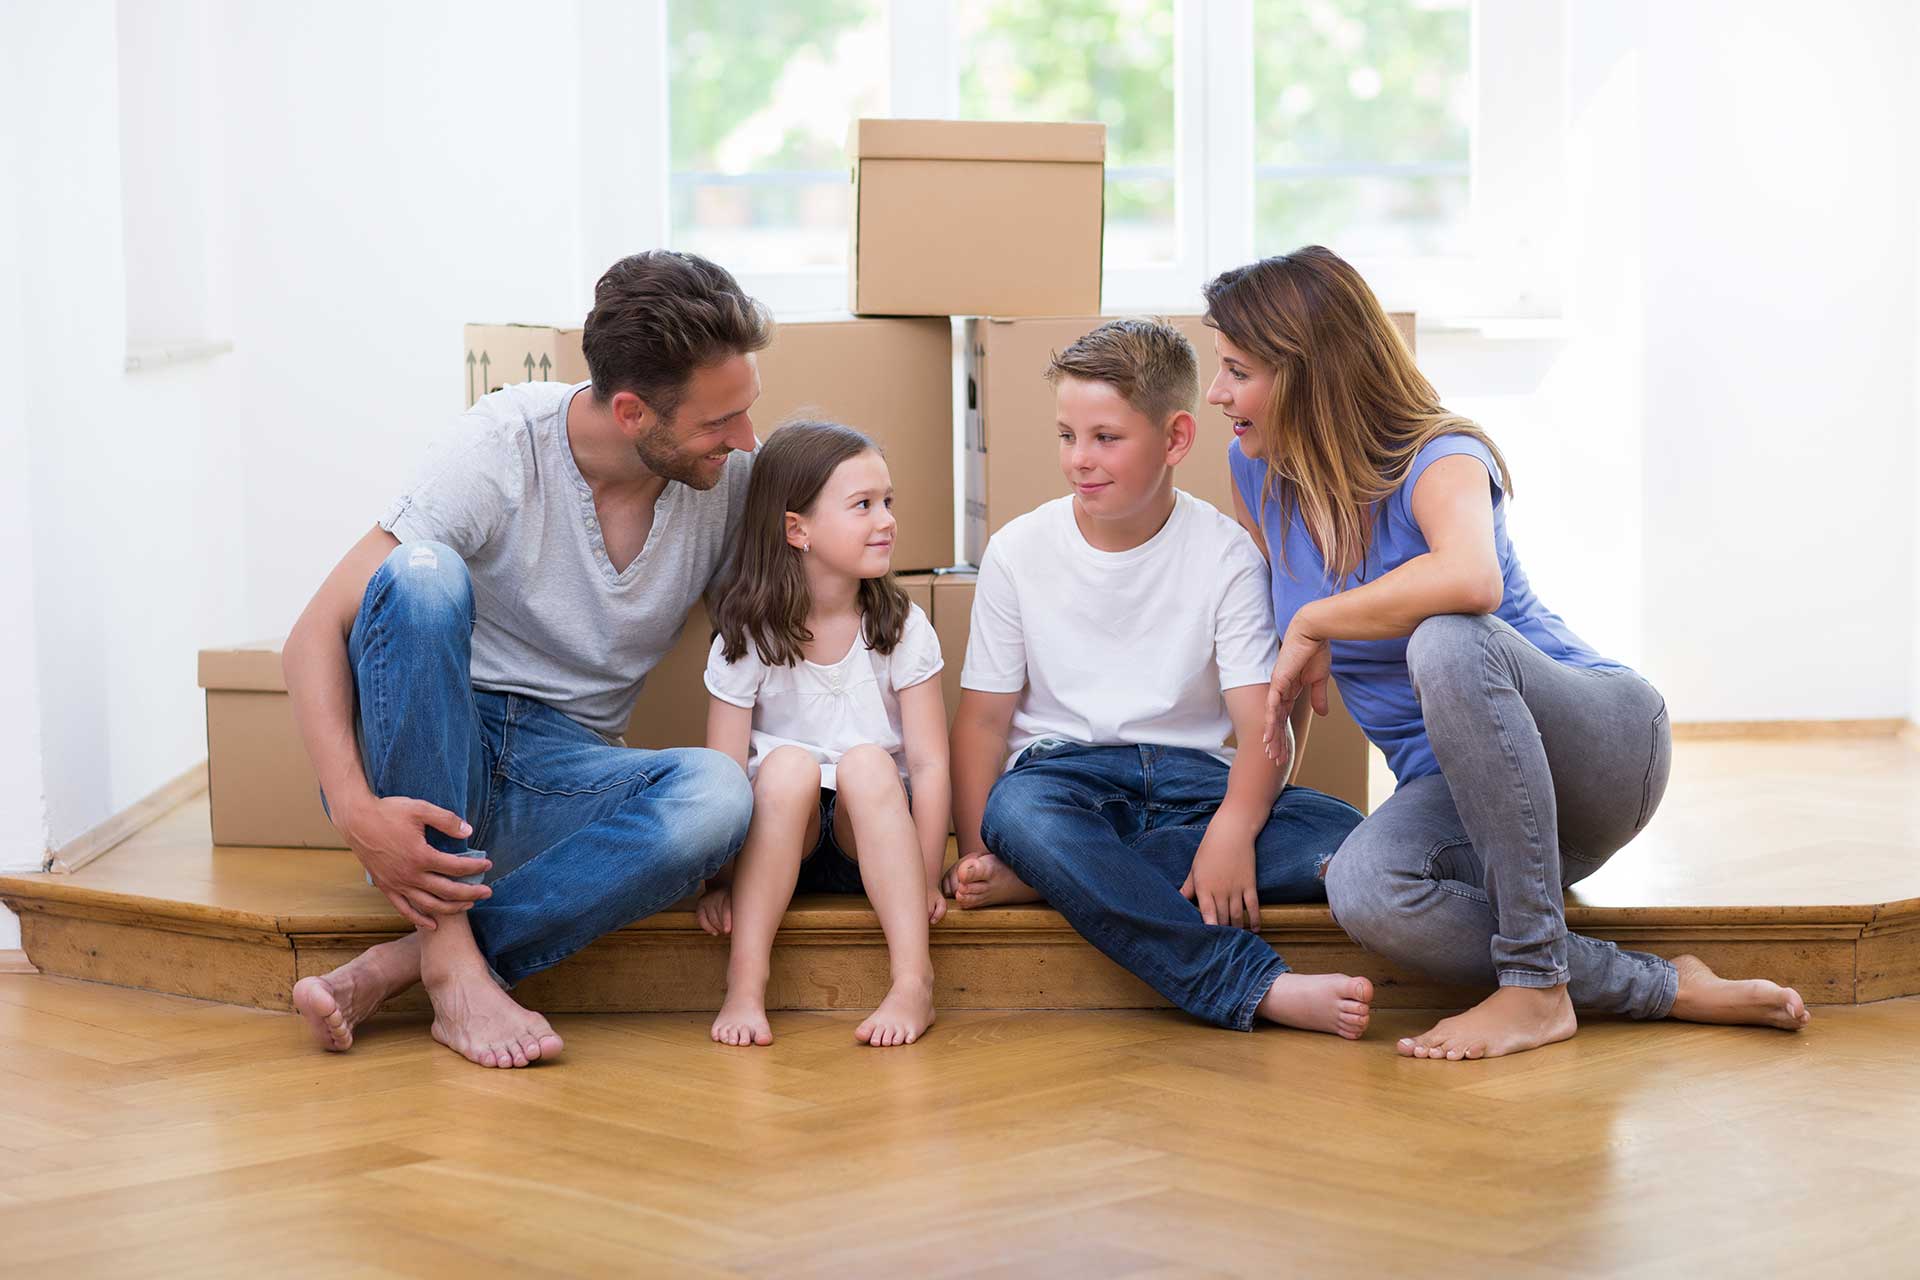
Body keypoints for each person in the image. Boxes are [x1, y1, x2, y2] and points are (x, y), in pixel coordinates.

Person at [1204, 245, 1811, 1060]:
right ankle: (1660, 986)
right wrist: (1239, 820)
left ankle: (1534, 985)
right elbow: (1289, 677)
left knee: (1446, 639)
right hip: (1463, 798)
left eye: (1237, 371)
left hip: (1599, 751)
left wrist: (1317, 617)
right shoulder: (1257, 473)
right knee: (1363, 888)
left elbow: (1470, 578)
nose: (1217, 395)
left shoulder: (1439, 453)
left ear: (1307, 371)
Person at [283, 251, 768, 1068]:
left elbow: (767, 642)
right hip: (430, 756)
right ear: (632, 412)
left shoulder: (727, 481)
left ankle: (417, 963)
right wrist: (359, 813)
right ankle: (450, 960)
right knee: (421, 573)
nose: (746, 439)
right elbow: (310, 640)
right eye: (720, 423)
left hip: (560, 773)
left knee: (718, 796)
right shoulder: (498, 448)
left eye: (746, 411)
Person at [943, 319, 1373, 1037]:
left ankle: (1058, 875)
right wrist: (981, 853)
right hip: (1063, 783)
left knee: (1345, 839)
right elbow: (982, 723)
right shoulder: (1017, 550)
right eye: (1066, 435)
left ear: (1175, 439)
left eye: (1106, 437)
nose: (1079, 459)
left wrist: (1231, 833)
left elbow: (1259, 724)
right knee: (1020, 816)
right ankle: (1253, 984)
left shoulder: (1227, 555)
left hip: (1196, 788)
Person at [696, 422, 950, 1048]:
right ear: (797, 530)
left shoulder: (899, 625)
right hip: (781, 843)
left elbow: (930, 762)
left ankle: (913, 982)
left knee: (869, 763)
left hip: (873, 841)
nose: (885, 519)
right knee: (783, 766)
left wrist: (922, 877)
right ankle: (745, 984)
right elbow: (722, 772)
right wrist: (720, 881)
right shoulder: (748, 635)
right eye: (863, 505)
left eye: (888, 501)